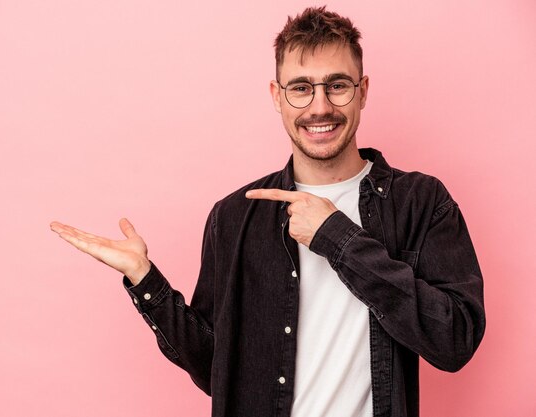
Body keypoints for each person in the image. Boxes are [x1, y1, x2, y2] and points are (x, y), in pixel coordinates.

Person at [50, 6, 485, 417]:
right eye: (300, 88)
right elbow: (214, 370)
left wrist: (337, 237)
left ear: (363, 91)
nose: (319, 107)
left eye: (337, 85)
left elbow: (455, 340)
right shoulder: (233, 217)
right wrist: (147, 281)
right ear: (277, 97)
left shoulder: (421, 202)